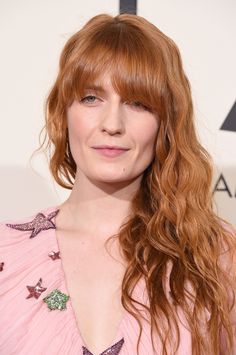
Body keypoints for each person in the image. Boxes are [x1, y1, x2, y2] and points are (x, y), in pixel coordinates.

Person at [0, 13, 235, 355]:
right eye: (91, 98)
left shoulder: (216, 257)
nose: (112, 124)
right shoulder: (6, 253)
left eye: (138, 103)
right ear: (63, 112)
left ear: (166, 123)